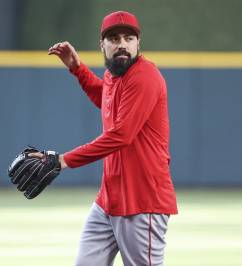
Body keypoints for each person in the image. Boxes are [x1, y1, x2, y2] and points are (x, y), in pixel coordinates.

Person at [34, 11, 178, 266]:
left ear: (137, 43)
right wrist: (77, 69)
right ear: (103, 44)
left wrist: (63, 160)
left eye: (128, 37)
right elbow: (106, 99)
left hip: (142, 201)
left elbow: (121, 135)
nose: (122, 43)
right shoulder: (115, 73)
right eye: (113, 38)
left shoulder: (145, 76)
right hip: (108, 201)